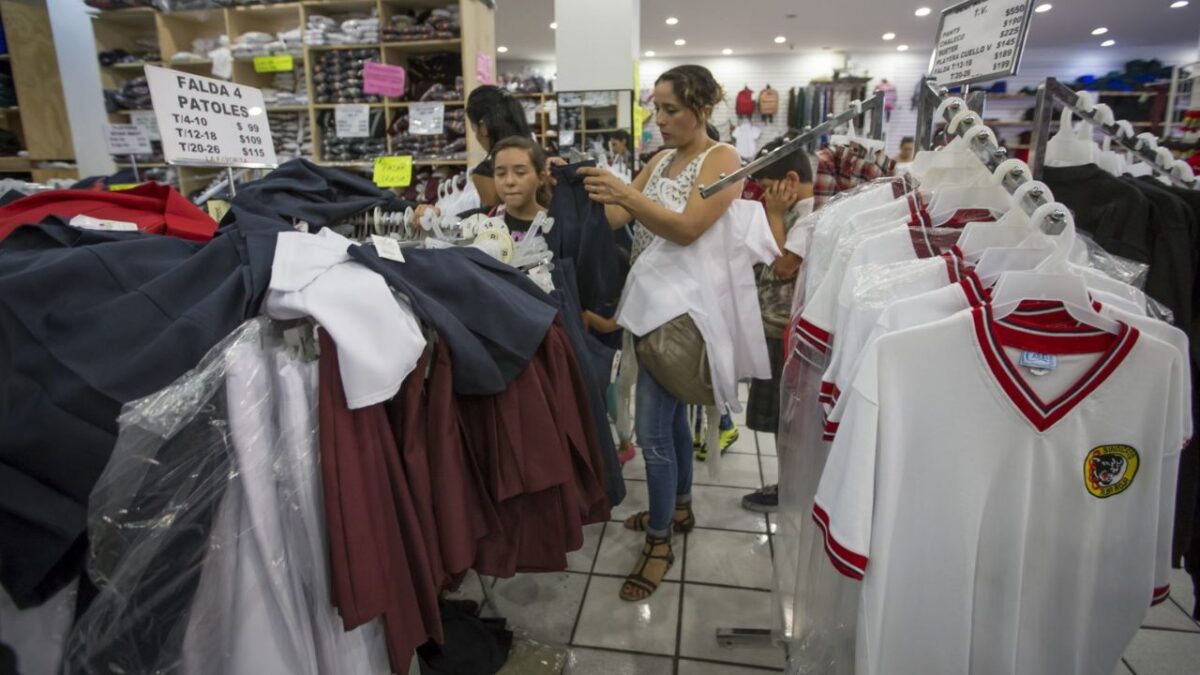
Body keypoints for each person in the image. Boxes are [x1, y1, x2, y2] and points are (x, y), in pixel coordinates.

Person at [578, 64, 741, 601]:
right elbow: (615, 223)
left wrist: (626, 193)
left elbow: (687, 229)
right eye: (656, 107)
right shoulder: (660, 160)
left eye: (670, 108)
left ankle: (659, 539)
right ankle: (681, 506)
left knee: (651, 433)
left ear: (702, 106)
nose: (659, 118)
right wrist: (584, 185)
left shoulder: (725, 161)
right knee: (667, 424)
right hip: (650, 307)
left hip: (686, 314)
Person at [740, 138, 816, 513]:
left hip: (785, 334)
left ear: (788, 179)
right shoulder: (797, 212)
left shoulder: (808, 214)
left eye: (767, 188)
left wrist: (772, 216)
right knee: (781, 423)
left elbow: (785, 267)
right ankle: (789, 486)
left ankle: (790, 491)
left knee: (787, 424)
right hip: (775, 330)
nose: (764, 196)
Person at [466, 85, 537, 208]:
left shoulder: (486, 173)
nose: (510, 181)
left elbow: (496, 224)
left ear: (483, 127)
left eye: (474, 128)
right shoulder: (548, 160)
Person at [487, 135, 552, 239]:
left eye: (520, 173)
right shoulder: (483, 221)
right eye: (501, 173)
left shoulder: (557, 225)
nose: (509, 181)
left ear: (540, 178)